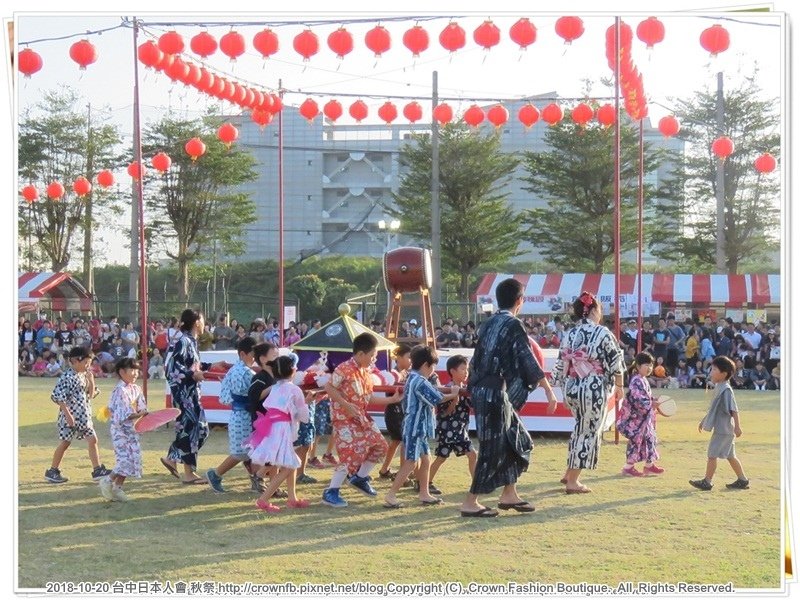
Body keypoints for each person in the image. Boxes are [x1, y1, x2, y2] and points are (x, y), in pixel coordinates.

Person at [460, 278, 558, 517]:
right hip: (494, 393)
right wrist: (547, 389)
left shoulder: (488, 323)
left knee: (518, 440)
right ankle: (470, 502)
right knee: (492, 447)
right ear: (519, 301)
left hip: (486, 391)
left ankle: (509, 494)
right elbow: (527, 359)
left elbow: (476, 359)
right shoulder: (512, 324)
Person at [553, 291, 625, 495]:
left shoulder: (570, 333)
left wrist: (559, 386)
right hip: (592, 387)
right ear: (593, 310)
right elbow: (615, 361)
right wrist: (619, 385)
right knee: (588, 431)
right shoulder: (602, 333)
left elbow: (561, 364)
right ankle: (573, 481)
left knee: (579, 428)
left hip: (572, 386)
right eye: (599, 309)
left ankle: (569, 473)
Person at [321, 333, 402, 508]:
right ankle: (331, 491)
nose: (374, 359)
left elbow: (368, 397)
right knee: (351, 453)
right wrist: (345, 405)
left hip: (360, 418)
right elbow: (329, 387)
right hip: (343, 419)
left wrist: (391, 400)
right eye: (372, 355)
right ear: (360, 354)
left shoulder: (366, 372)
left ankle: (359, 478)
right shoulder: (344, 369)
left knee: (381, 446)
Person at [383, 346, 459, 508]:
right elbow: (436, 398)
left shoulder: (412, 377)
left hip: (418, 426)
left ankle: (424, 493)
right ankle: (391, 495)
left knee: (426, 460)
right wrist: (453, 394)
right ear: (426, 365)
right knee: (411, 461)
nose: (433, 371)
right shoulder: (420, 381)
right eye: (432, 367)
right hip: (415, 427)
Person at [160, 309, 230, 485]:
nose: (205, 323)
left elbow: (193, 365)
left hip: (191, 393)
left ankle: (173, 457)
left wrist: (213, 366)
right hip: (184, 394)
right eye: (203, 320)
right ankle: (188, 473)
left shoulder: (190, 341)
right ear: (196, 322)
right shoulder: (183, 341)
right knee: (193, 430)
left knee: (199, 430)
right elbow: (172, 369)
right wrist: (193, 376)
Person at [245, 355, 314, 512]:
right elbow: (302, 416)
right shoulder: (294, 389)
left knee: (290, 462)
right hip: (282, 429)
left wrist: (304, 403)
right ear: (293, 370)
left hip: (274, 427)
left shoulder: (275, 387)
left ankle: (292, 498)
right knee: (290, 465)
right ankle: (263, 499)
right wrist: (307, 402)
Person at [44, 347, 112, 484]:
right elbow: (58, 397)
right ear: (75, 361)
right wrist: (68, 415)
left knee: (93, 440)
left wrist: (91, 380)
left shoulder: (84, 375)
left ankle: (97, 469)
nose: (88, 366)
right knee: (65, 443)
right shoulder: (67, 377)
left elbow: (91, 395)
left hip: (84, 416)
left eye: (90, 363)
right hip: (70, 417)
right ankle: (53, 470)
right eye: (86, 362)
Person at [206, 337, 258, 493]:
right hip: (243, 415)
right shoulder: (244, 372)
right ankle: (215, 473)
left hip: (241, 414)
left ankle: (256, 480)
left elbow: (225, 396)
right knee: (241, 453)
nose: (255, 358)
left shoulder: (236, 370)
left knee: (250, 452)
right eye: (253, 354)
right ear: (243, 354)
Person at [690, 356, 749, 491]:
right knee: (731, 456)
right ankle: (742, 479)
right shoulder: (719, 387)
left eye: (714, 369)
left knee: (712, 455)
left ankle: (707, 481)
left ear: (724, 373)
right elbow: (714, 408)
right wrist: (704, 420)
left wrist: (738, 427)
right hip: (725, 429)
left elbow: (734, 409)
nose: (711, 371)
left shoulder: (726, 389)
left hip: (724, 430)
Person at [98, 358, 148, 502]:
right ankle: (107, 480)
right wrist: (142, 414)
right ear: (122, 372)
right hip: (120, 430)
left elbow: (141, 408)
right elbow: (125, 414)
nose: (135, 373)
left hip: (132, 430)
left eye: (137, 370)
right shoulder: (119, 391)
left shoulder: (136, 389)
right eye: (132, 370)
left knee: (133, 458)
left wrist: (146, 417)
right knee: (124, 460)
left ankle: (117, 488)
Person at [429, 354, 477, 493]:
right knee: (441, 457)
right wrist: (455, 398)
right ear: (452, 371)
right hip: (448, 430)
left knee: (471, 454)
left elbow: (472, 405)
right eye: (463, 369)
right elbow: (444, 413)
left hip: (460, 430)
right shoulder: (447, 389)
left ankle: (475, 483)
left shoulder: (465, 389)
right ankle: (425, 482)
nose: (466, 372)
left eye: (467, 369)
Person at [616, 352, 664, 477]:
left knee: (649, 440)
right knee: (636, 442)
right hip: (636, 419)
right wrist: (650, 403)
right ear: (638, 366)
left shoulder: (642, 380)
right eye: (646, 365)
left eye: (651, 365)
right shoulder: (636, 380)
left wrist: (652, 400)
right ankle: (628, 467)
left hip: (644, 419)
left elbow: (645, 397)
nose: (649, 368)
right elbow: (638, 399)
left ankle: (649, 465)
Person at [246, 342, 280, 494]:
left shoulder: (276, 377)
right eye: (274, 356)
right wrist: (273, 388)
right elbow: (253, 398)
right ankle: (258, 480)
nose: (277, 359)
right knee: (267, 456)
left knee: (275, 456)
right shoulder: (259, 378)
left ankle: (273, 487)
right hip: (263, 422)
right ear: (263, 359)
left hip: (275, 421)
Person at [378, 344, 412, 480]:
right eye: (409, 357)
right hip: (395, 411)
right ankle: (403, 475)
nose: (411, 361)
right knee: (402, 441)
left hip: (402, 412)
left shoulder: (407, 373)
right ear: (398, 357)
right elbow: (390, 392)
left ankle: (384, 469)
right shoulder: (392, 374)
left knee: (396, 442)